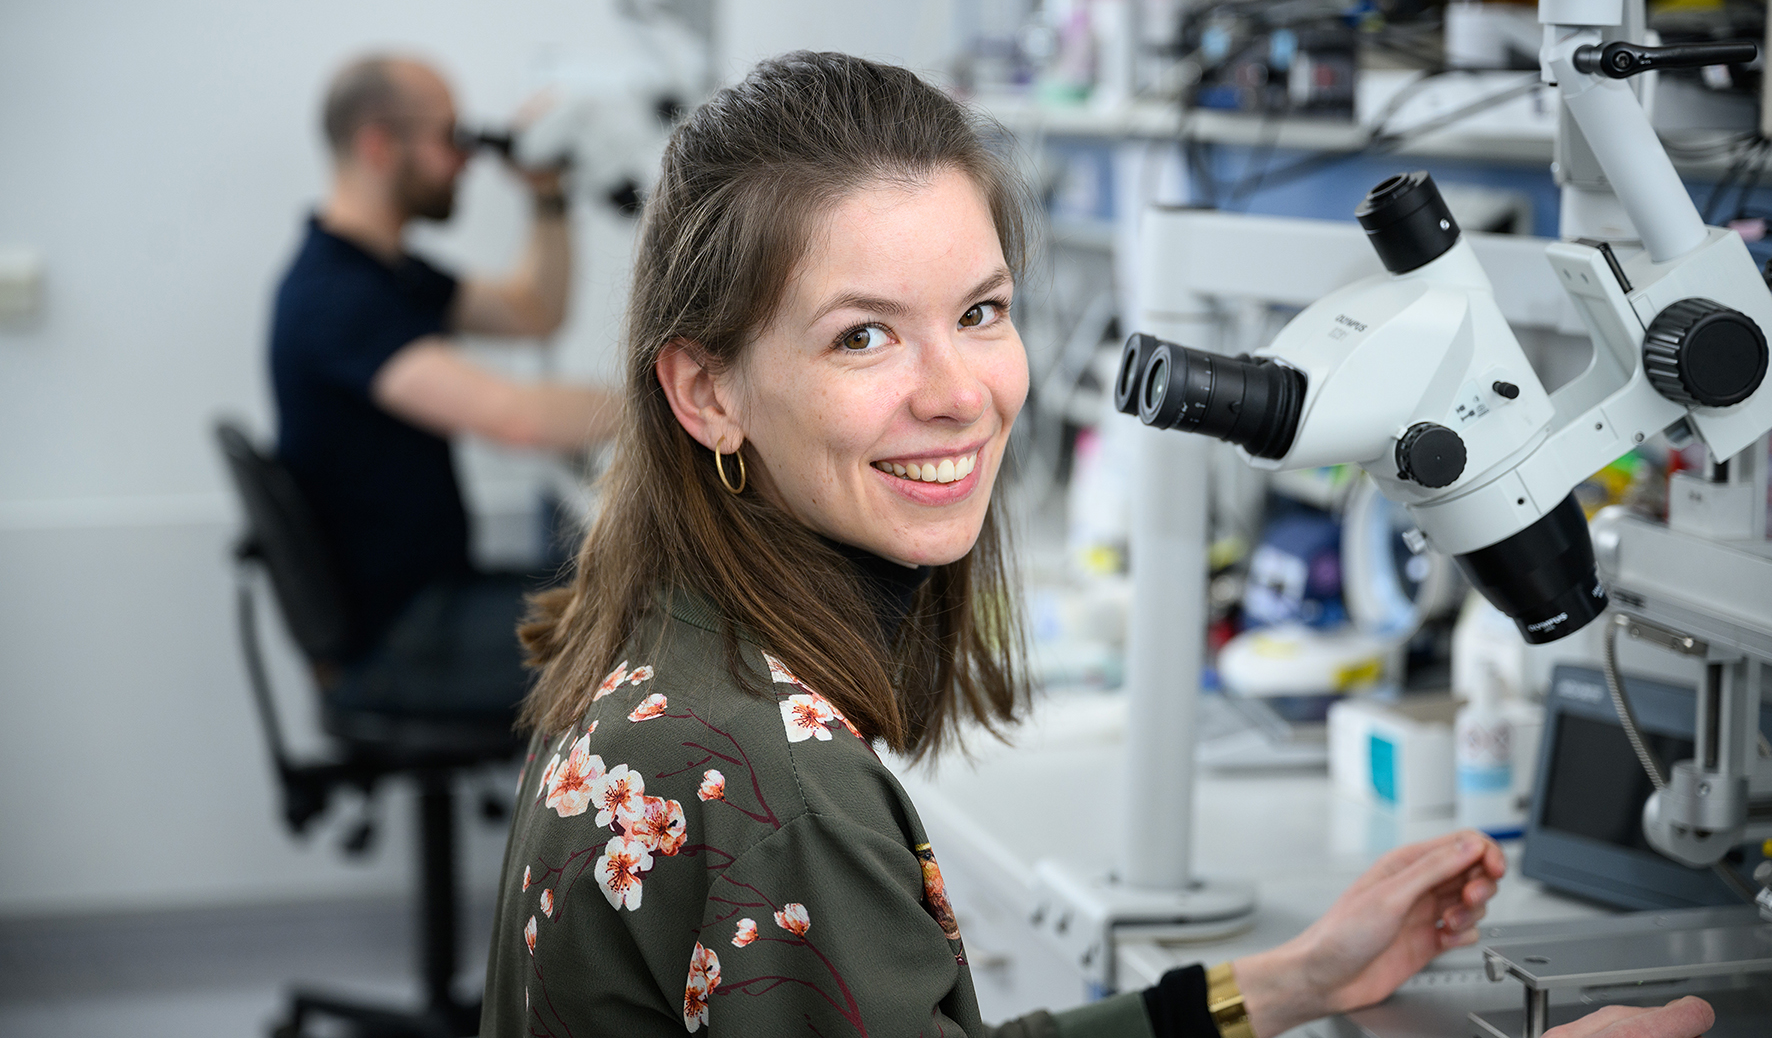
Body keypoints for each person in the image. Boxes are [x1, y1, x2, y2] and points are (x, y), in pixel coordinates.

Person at [479, 52, 1713, 1038]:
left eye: (980, 312)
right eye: (863, 336)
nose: (958, 392)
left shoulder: (675, 656)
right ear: (706, 391)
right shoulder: (777, 784)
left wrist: (1275, 984)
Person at [270, 54, 620, 721]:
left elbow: (532, 310)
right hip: (403, 638)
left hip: (431, 601)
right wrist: (673, 403)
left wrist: (545, 193)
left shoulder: (382, 273)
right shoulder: (335, 297)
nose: (466, 160)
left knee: (632, 600)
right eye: (449, 137)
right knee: (663, 643)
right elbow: (516, 418)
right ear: (378, 144)